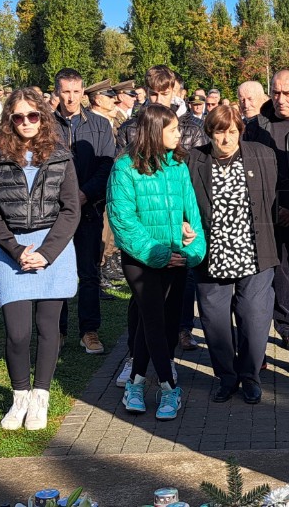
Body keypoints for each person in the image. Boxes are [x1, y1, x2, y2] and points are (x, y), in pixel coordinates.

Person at [0, 88, 80, 430]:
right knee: (18, 333)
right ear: (10, 119)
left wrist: (46, 253)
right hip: (12, 251)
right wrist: (16, 249)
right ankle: (19, 395)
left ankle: (41, 395)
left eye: (33, 115)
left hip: (54, 249)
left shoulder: (60, 155)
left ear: (42, 117)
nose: (26, 122)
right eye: (18, 117)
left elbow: (71, 209)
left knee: (48, 328)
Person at [107, 104, 206, 420]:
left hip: (176, 259)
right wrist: (159, 254)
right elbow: (123, 220)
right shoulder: (125, 168)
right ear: (155, 131)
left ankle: (135, 382)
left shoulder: (178, 165)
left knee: (163, 322)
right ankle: (168, 387)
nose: (180, 134)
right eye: (174, 129)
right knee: (152, 319)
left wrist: (192, 248)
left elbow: (193, 213)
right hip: (141, 260)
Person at [187, 106, 278, 404]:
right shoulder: (192, 161)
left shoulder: (263, 156)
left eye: (232, 132)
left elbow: (273, 198)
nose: (226, 139)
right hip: (211, 256)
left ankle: (250, 375)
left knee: (255, 317)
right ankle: (226, 377)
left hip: (254, 253)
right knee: (214, 322)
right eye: (219, 132)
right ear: (209, 133)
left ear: (241, 131)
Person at [243, 70, 289, 378]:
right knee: (259, 286)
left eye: (288, 93)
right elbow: (246, 173)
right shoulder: (254, 127)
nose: (281, 99)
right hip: (264, 218)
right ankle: (256, 348)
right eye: (276, 93)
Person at [53, 68, 116, 355]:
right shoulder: (46, 125)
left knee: (88, 273)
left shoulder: (101, 125)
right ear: (58, 92)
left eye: (76, 91)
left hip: (88, 208)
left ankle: (89, 331)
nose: (71, 97)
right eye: (66, 91)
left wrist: (84, 193)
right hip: (54, 211)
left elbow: (107, 165)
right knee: (57, 272)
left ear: (82, 92)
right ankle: (58, 330)